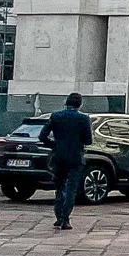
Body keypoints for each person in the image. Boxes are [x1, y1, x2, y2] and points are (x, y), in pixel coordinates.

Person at [39, 92, 92, 230]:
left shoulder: (56, 116)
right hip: (75, 157)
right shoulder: (83, 119)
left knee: (59, 187)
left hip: (59, 157)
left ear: (66, 102)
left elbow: (42, 136)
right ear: (79, 104)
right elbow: (88, 140)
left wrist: (55, 145)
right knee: (71, 189)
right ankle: (66, 219)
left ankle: (58, 216)